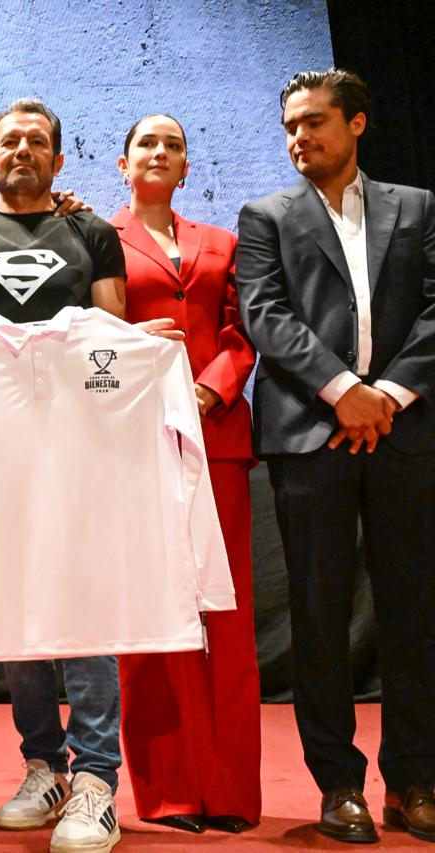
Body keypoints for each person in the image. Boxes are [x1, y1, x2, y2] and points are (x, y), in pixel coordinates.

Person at [237, 68, 435, 845]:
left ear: (356, 123)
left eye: (314, 121)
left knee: (413, 613)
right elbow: (264, 313)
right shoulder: (266, 215)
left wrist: (388, 394)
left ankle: (414, 782)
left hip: (404, 432)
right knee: (318, 617)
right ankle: (339, 785)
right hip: (309, 435)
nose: (299, 137)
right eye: (290, 125)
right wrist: (343, 390)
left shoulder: (417, 207)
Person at [0, 99, 127, 853]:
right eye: (9, 141)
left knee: (86, 606)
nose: (22, 150)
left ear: (58, 159)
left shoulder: (91, 233)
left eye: (37, 141)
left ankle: (97, 779)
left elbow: (112, 333)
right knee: (18, 611)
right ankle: (44, 765)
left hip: (79, 447)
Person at [111, 114, 261, 834]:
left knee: (226, 618)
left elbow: (243, 330)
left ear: (187, 166)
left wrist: (209, 389)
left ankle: (229, 790)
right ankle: (169, 790)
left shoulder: (222, 243)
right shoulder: (97, 239)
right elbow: (92, 330)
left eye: (173, 144)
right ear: (123, 163)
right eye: (148, 143)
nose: (161, 152)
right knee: (150, 612)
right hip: (135, 440)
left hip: (216, 437)